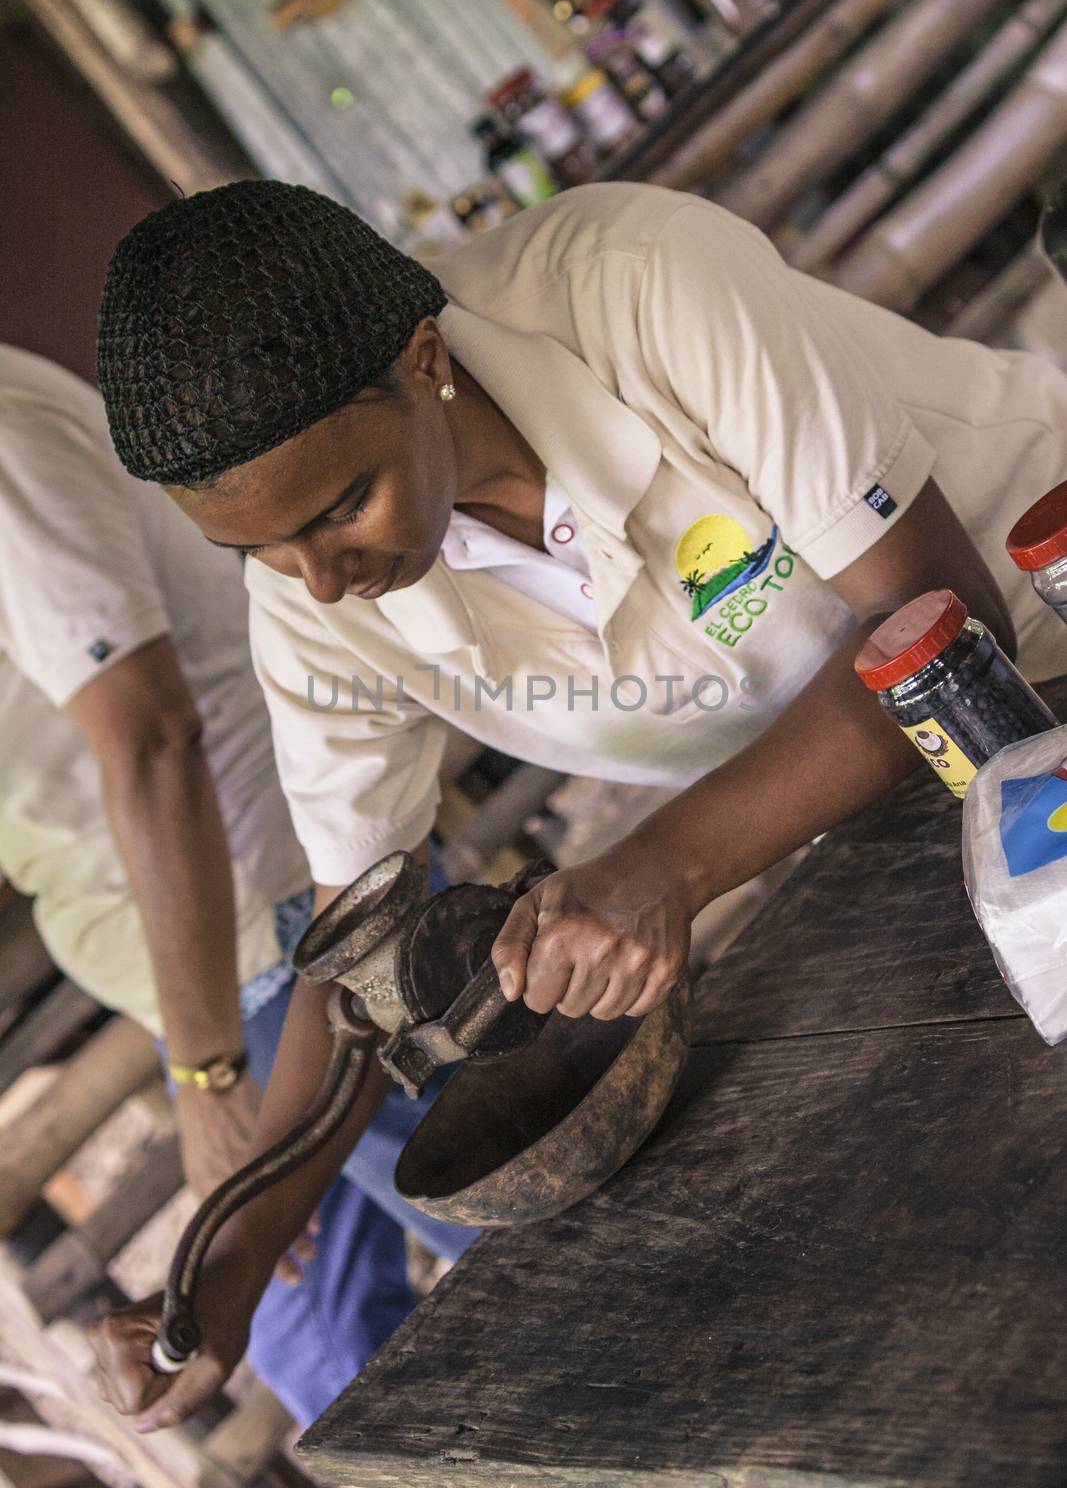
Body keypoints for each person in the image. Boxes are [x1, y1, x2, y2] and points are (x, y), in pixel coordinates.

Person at [89, 178, 1067, 1428]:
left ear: (425, 356)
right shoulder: (315, 596)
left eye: (339, 509)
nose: (318, 581)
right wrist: (228, 1260)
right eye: (261, 549)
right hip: (907, 820)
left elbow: (936, 616)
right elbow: (358, 938)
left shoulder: (642, 283)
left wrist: (662, 865)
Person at [0, 343, 473, 1426]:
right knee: (333, 1364)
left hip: (278, 927)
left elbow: (155, 738)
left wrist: (205, 1073)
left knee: (503, 1229)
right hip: (231, 962)